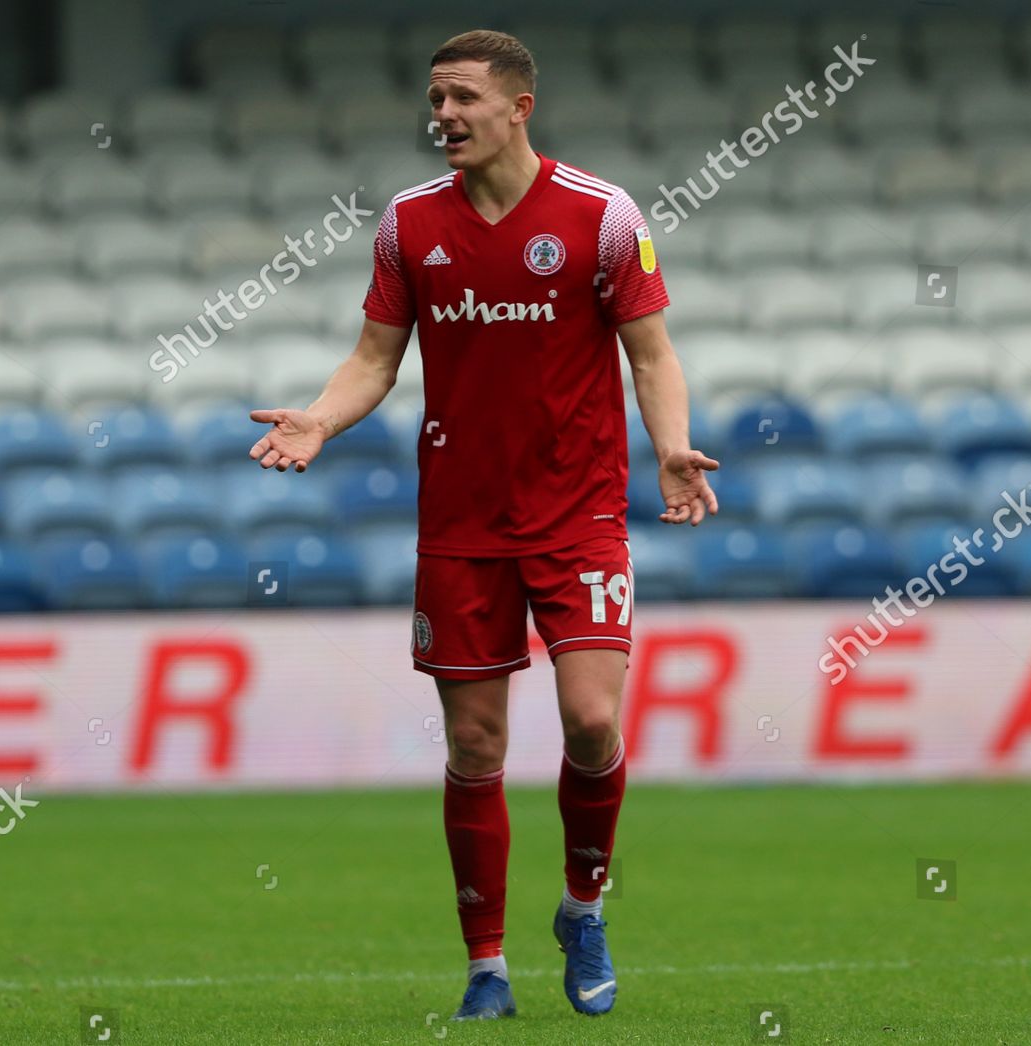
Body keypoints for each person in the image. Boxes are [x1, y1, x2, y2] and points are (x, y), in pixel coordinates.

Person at [248, 30, 717, 1019]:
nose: (444, 115)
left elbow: (654, 353)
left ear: (519, 106)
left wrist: (671, 444)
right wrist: (319, 418)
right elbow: (374, 357)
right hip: (461, 524)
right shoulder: (409, 225)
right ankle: (487, 965)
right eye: (435, 98)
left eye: (462, 97)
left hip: (580, 515)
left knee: (593, 720)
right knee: (475, 744)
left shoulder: (603, 216)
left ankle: (583, 905)